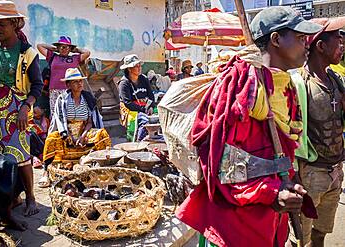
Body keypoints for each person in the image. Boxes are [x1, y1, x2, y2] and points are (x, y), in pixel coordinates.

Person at [174, 6, 323, 246]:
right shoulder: (243, 88)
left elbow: (279, 152)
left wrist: (287, 182)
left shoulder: (284, 86)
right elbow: (221, 165)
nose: (308, 44)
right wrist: (271, 192)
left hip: (271, 221)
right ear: (276, 39)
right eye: (300, 37)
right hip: (238, 224)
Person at [0, 0, 43, 217]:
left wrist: (26, 107)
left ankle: (30, 197)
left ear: (15, 24)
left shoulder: (27, 52)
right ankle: (6, 200)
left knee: (20, 154)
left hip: (16, 111)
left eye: (1, 24)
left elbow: (37, 85)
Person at [291, 17, 345, 247]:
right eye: (338, 40)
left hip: (335, 170)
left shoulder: (336, 79)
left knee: (321, 233)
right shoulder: (299, 83)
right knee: (300, 239)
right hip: (310, 173)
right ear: (320, 46)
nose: (342, 46)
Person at [38, 68, 111, 187]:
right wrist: (69, 135)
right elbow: (61, 120)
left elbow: (89, 121)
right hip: (66, 132)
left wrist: (83, 136)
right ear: (68, 85)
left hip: (83, 131)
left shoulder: (87, 99)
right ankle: (46, 172)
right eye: (75, 81)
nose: (79, 84)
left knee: (102, 134)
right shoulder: (62, 100)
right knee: (51, 139)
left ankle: (102, 167)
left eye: (80, 81)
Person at [37, 36, 90, 118]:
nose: (64, 48)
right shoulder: (53, 57)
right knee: (55, 114)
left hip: (70, 90)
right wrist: (54, 48)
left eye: (66, 47)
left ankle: (68, 131)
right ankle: (56, 131)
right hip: (54, 90)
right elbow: (39, 46)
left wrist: (75, 49)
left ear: (70, 49)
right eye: (61, 46)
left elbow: (87, 53)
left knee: (69, 114)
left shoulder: (74, 59)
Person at [118, 54, 156, 141]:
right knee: (145, 120)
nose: (139, 68)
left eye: (139, 66)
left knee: (158, 117)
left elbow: (151, 96)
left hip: (145, 107)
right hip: (131, 110)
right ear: (129, 69)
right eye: (136, 66)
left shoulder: (144, 79)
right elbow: (128, 103)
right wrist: (143, 110)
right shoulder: (124, 83)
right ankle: (140, 142)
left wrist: (151, 107)